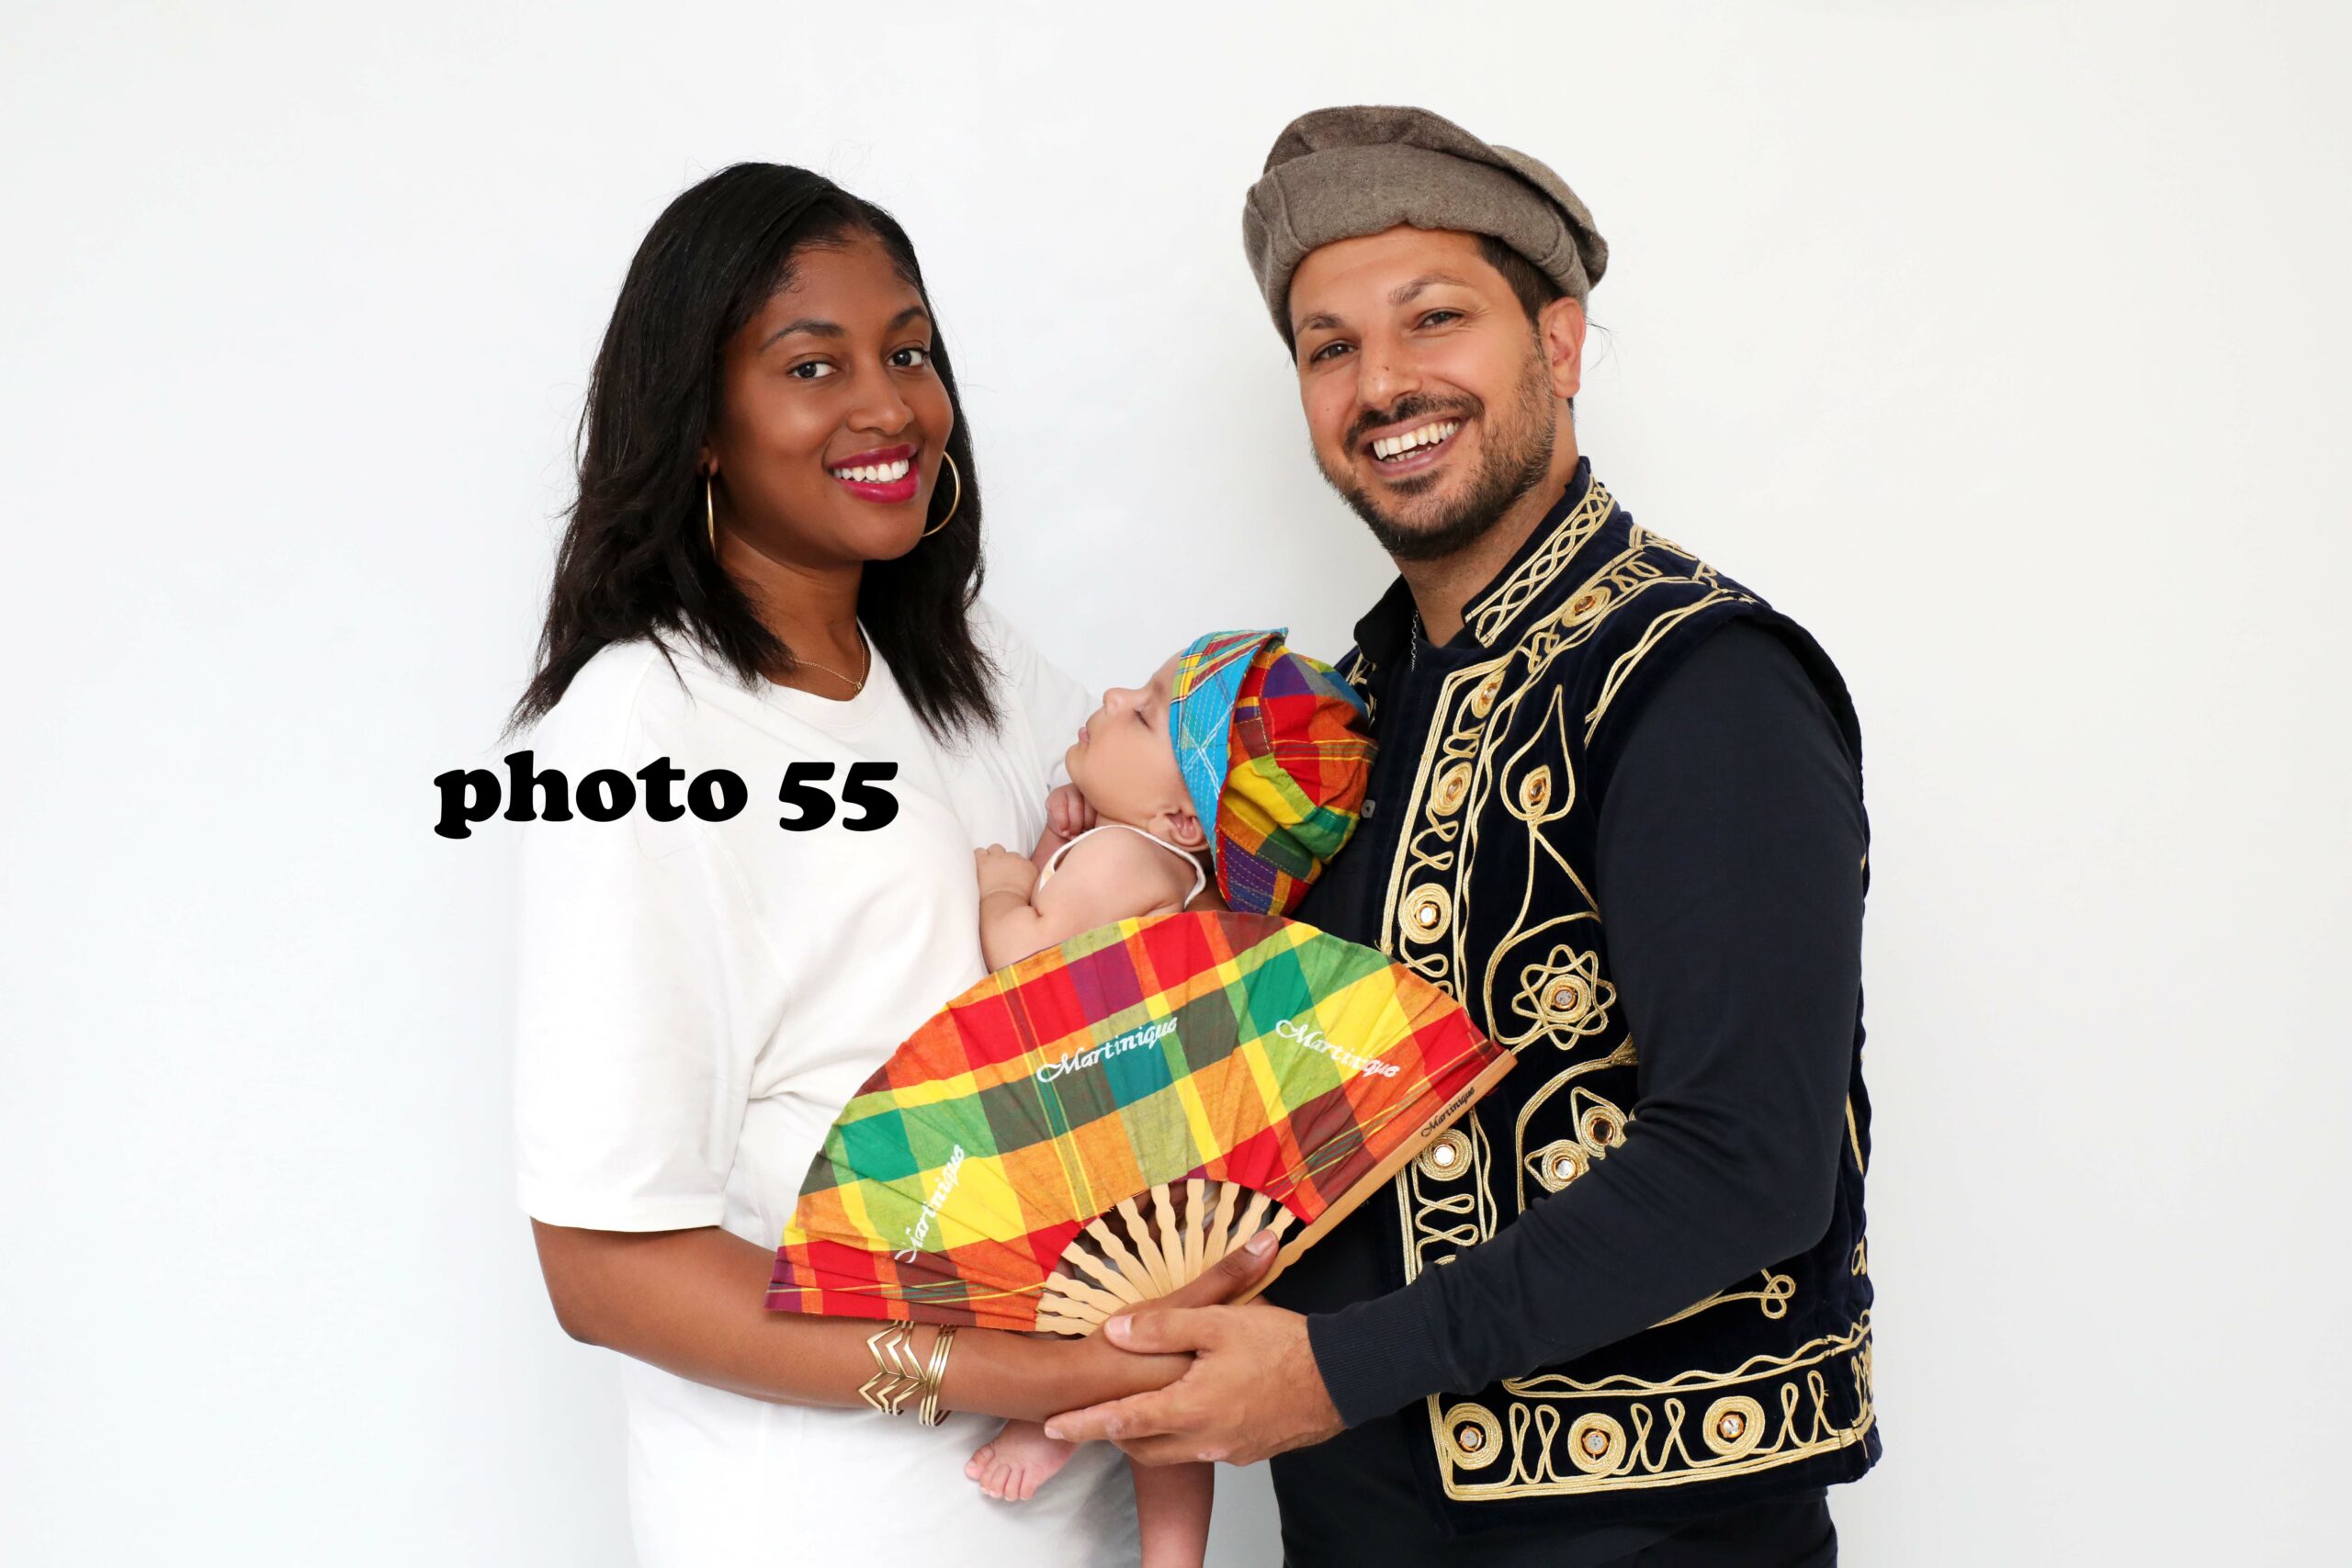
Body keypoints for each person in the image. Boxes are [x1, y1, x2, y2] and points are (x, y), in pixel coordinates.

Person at [1046, 107, 1877, 1567]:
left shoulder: (1701, 681)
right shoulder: (1349, 715)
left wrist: (1333, 1369)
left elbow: (1747, 1159)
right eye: (1330, 346)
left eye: (1434, 318)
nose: (1382, 383)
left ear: (1558, 343)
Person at [507, 163, 1268, 1568]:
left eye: (909, 353)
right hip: (831, 1524)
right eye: (815, 365)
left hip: (1080, 1520)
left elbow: (1183, 890)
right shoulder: (648, 725)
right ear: (701, 426)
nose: (889, 405)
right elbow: (608, 1270)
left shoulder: (977, 677)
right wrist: (1030, 1369)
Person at [960, 629, 1374, 1568]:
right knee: (1170, 1353)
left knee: (1077, 1303)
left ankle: (1048, 1420)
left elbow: (1028, 961)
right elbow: (1091, 931)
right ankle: (1173, 1556)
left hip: (1109, 1135)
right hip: (1187, 1145)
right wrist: (1063, 837)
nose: (1110, 697)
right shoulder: (1158, 866)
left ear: (1183, 818)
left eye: (1144, 714)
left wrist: (1002, 885)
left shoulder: (1117, 859)